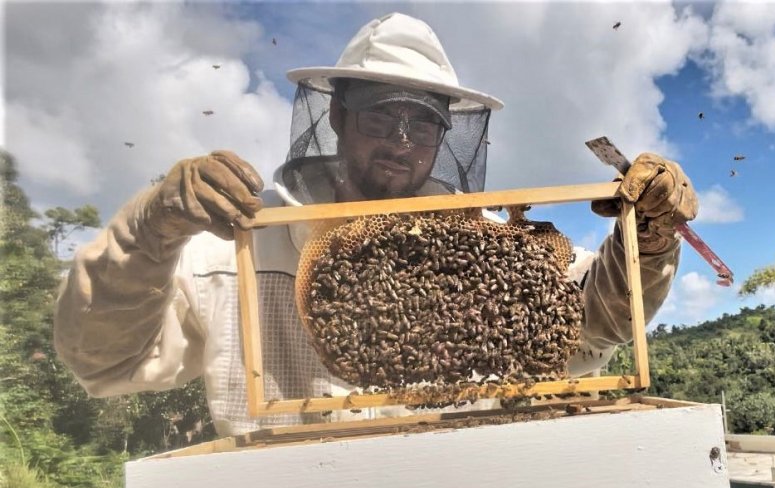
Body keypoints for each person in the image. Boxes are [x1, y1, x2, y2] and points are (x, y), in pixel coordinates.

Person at [54, 12, 698, 437]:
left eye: (423, 122)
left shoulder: (485, 246)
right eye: (380, 114)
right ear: (334, 115)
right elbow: (106, 361)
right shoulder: (234, 255)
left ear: (449, 136)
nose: (401, 139)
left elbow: (596, 321)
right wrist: (150, 229)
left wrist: (648, 241)